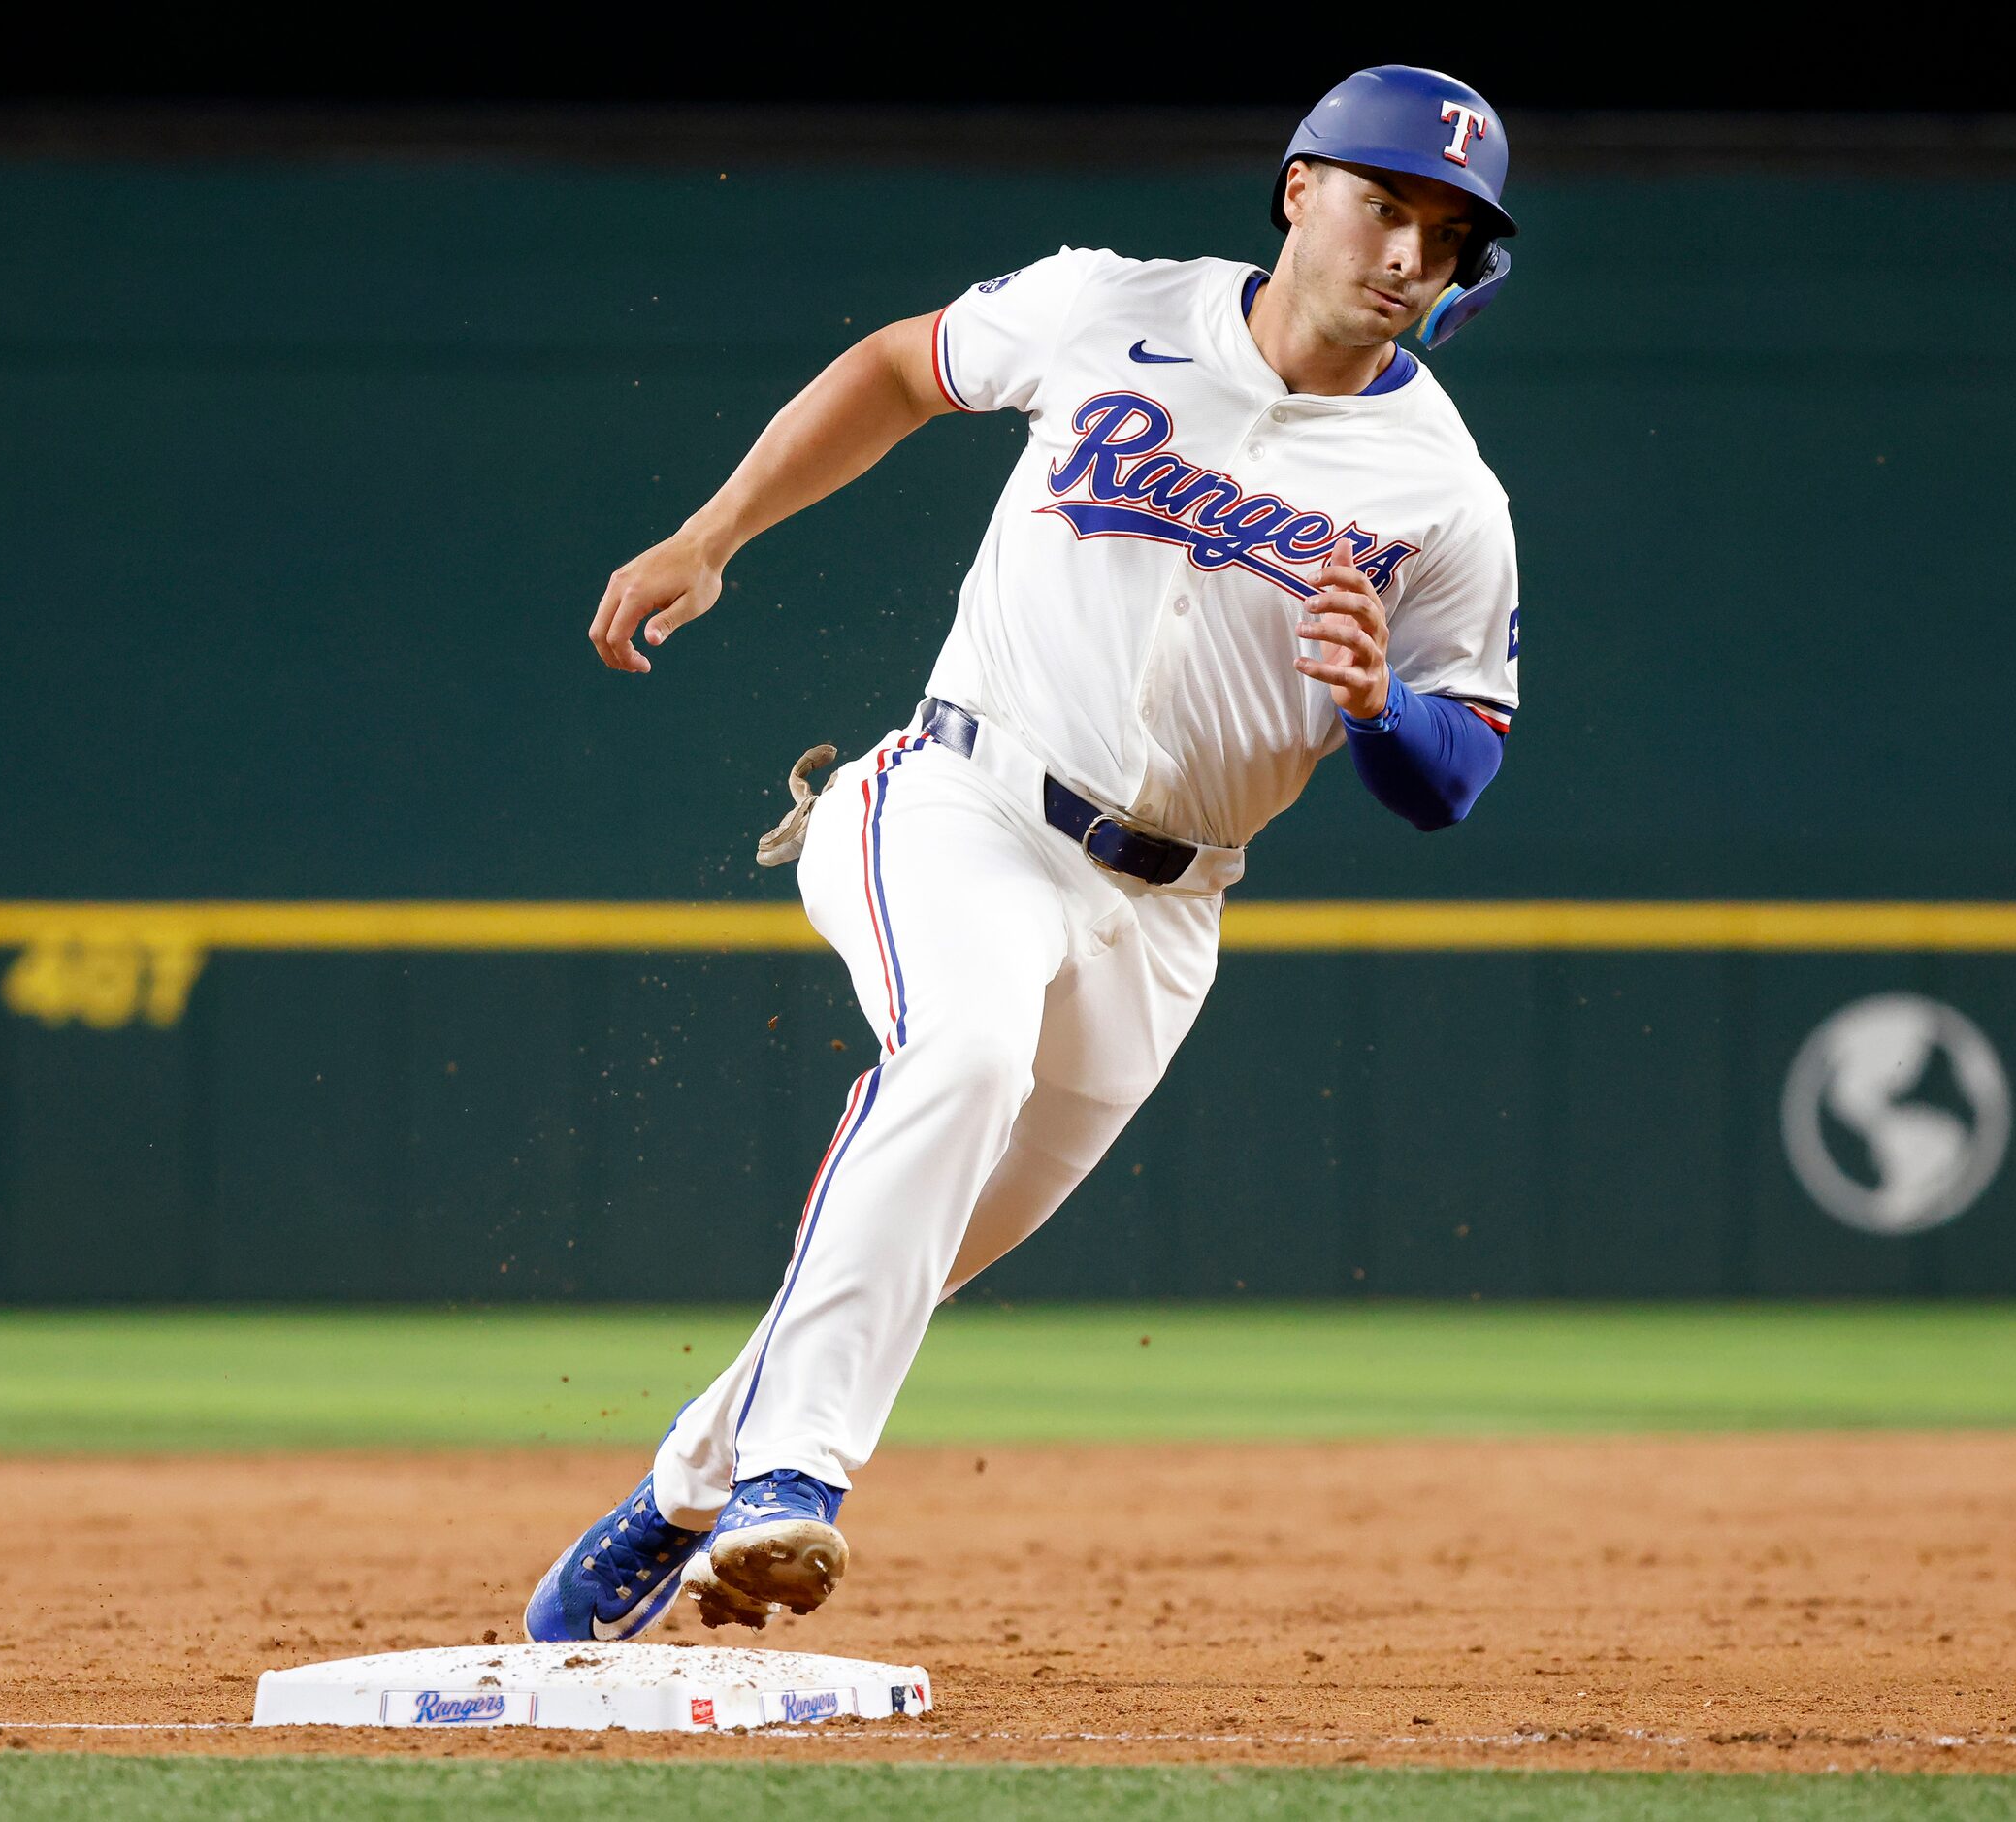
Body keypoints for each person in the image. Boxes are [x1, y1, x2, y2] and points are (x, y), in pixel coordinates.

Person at [524, 66, 1523, 1643]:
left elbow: (1453, 776)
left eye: (1447, 231)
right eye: (1383, 202)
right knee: (964, 1049)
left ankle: (689, 1490)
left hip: (1168, 914)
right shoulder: (1103, 307)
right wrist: (712, 532)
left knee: (934, 1232)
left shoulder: (1444, 496)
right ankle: (800, 1474)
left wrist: (1383, 704)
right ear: (1297, 191)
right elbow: (896, 368)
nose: (1408, 250)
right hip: (964, 801)